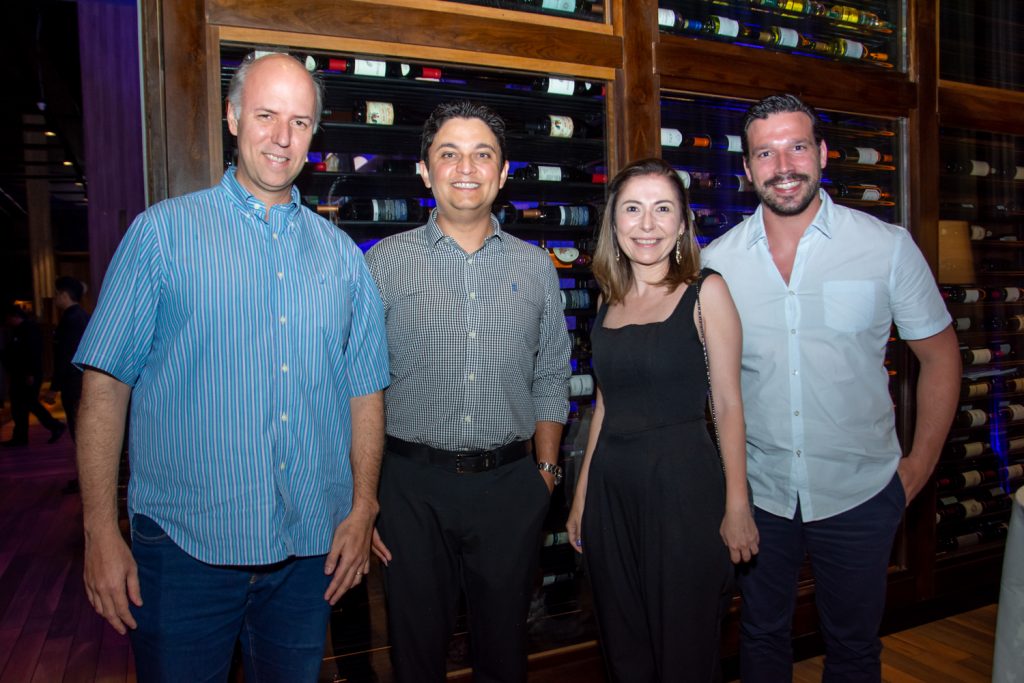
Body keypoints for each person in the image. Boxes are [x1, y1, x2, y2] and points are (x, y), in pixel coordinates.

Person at [73, 51, 389, 682]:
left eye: (300, 122)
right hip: (185, 553)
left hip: (308, 555)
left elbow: (366, 395)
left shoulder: (342, 258)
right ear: (232, 116)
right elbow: (104, 389)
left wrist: (362, 508)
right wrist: (99, 532)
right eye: (266, 115)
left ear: (313, 136)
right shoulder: (161, 236)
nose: (281, 136)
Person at [701, 93, 961, 682]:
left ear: (822, 153)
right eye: (764, 152)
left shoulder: (886, 247)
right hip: (760, 495)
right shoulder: (716, 264)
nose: (783, 165)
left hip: (861, 492)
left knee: (853, 648)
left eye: (796, 146)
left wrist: (915, 471)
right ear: (746, 169)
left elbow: (941, 358)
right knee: (761, 639)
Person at [365, 101, 572, 683]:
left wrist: (546, 475)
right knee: (415, 655)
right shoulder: (384, 263)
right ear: (425, 172)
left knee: (505, 654)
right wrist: (364, 499)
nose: (466, 167)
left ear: (502, 173)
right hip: (409, 487)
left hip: (511, 485)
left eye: (483, 154)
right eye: (448, 154)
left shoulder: (536, 267)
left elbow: (553, 372)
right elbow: (356, 386)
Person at [563, 158, 758, 681]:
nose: (646, 224)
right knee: (625, 648)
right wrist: (583, 495)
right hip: (613, 492)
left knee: (685, 652)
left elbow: (729, 405)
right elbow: (605, 403)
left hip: (683, 490)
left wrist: (737, 503)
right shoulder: (609, 297)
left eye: (662, 209)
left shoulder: (705, 292)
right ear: (614, 221)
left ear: (681, 224)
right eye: (633, 208)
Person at [2, 303, 65, 447]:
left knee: (27, 403)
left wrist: (30, 372)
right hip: (23, 373)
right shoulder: (22, 330)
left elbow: (32, 352)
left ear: (14, 317)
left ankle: (53, 426)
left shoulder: (27, 330)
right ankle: (22, 436)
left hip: (27, 374)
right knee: (23, 405)